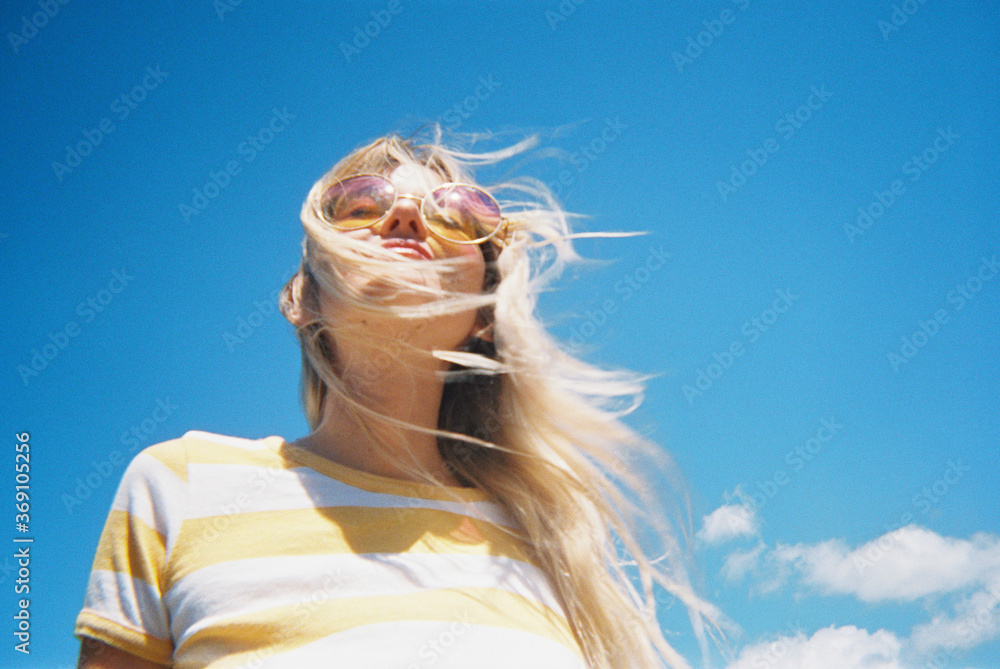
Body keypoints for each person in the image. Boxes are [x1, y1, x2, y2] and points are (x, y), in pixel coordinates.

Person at [75, 129, 717, 668]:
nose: (407, 219)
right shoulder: (181, 486)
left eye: (455, 214)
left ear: (485, 315)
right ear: (301, 298)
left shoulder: (546, 542)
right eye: (359, 206)